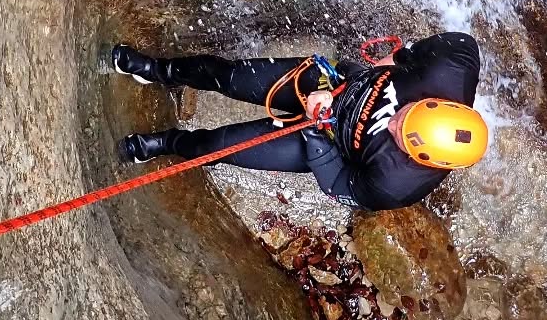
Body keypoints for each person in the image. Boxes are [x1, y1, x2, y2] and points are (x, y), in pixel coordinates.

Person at [113, 33, 487, 212]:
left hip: (324, 140)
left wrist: (316, 131)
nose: (392, 124)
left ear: (424, 160)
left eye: (400, 138)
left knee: (219, 147)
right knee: (228, 77)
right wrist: (396, 59)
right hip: (337, 84)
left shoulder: (395, 186)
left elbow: (340, 183)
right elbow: (452, 44)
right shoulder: (454, 64)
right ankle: (160, 70)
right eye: (404, 116)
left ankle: (169, 143)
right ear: (436, 102)